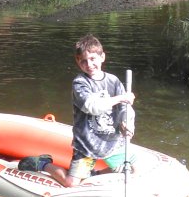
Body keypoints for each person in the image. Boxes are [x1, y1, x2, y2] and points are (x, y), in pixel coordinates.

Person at [47, 35, 135, 187]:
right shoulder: (80, 83)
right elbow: (92, 106)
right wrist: (121, 98)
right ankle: (44, 164)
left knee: (131, 170)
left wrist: (127, 122)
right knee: (71, 183)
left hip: (112, 143)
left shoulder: (113, 81)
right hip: (87, 145)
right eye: (83, 61)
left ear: (102, 57)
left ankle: (96, 175)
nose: (89, 64)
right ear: (78, 61)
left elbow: (125, 108)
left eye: (93, 59)